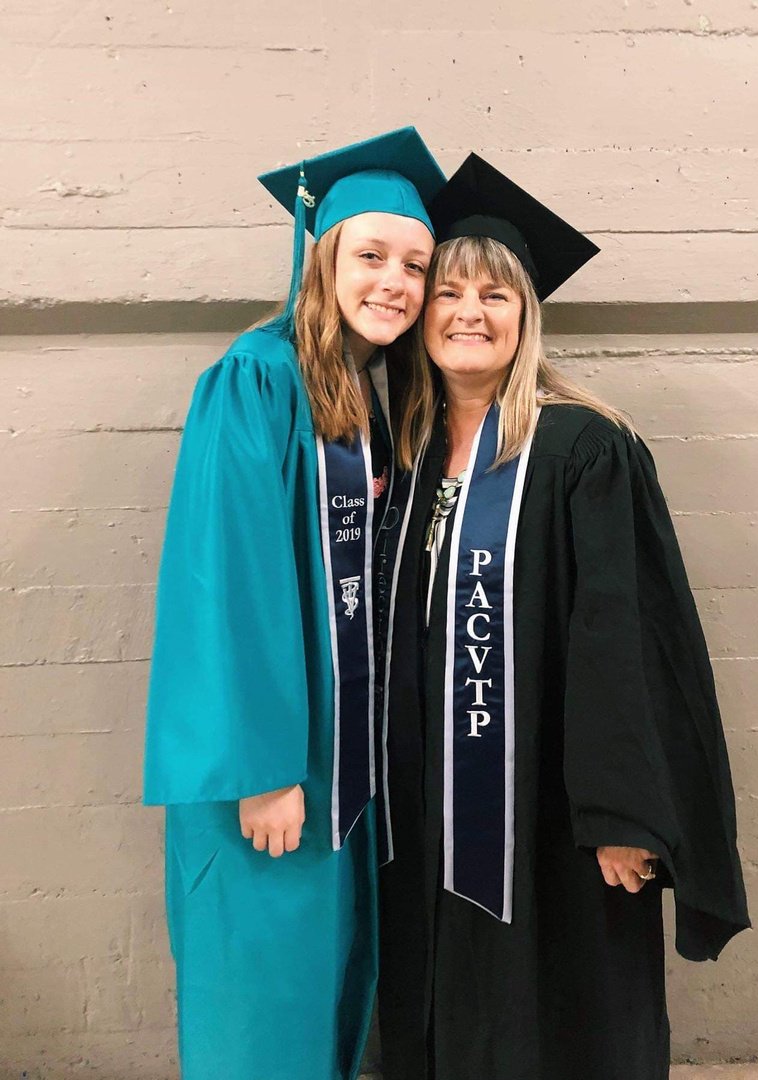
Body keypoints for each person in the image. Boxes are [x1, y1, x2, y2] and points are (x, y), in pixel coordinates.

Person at [375, 154, 750, 1080]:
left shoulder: (585, 449)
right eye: (449, 292)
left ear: (526, 316)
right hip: (426, 808)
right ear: (419, 317)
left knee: (561, 1016)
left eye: (495, 296)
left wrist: (622, 811)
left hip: (550, 808)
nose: (468, 312)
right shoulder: (406, 456)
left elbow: (624, 640)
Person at [142, 127, 445, 1080]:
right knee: (258, 1006)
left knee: (318, 995)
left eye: (414, 265)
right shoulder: (257, 379)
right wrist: (263, 768)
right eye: (369, 255)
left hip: (337, 767)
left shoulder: (361, 392)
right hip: (272, 770)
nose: (394, 281)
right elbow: (225, 584)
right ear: (320, 256)